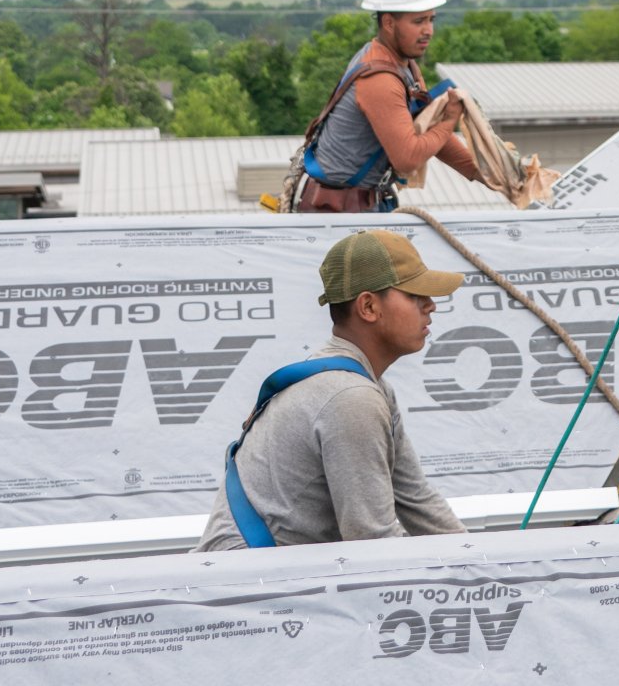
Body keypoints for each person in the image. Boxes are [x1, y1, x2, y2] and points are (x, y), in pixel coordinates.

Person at [200, 228, 469, 547]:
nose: (431, 305)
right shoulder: (351, 398)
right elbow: (374, 541)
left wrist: (480, 560)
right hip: (248, 575)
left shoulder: (367, 387)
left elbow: (416, 499)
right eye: (414, 295)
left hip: (262, 570)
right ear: (368, 307)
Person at [292, 0, 478, 213]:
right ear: (389, 23)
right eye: (418, 21)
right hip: (339, 214)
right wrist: (450, 120)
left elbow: (431, 132)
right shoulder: (380, 79)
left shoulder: (404, 66)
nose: (429, 30)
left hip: (361, 205)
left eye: (431, 19)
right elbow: (407, 158)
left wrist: (491, 173)